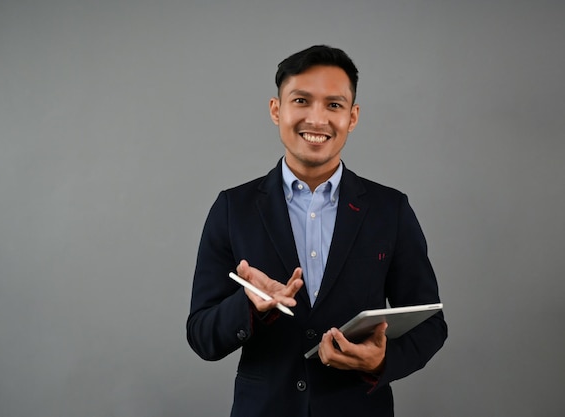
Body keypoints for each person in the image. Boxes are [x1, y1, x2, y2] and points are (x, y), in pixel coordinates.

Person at [186, 45, 447, 417]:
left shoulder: (391, 210)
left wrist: (378, 362)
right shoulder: (233, 209)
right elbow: (201, 335)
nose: (317, 118)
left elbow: (430, 323)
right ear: (277, 110)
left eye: (334, 105)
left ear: (353, 117)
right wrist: (249, 307)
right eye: (302, 100)